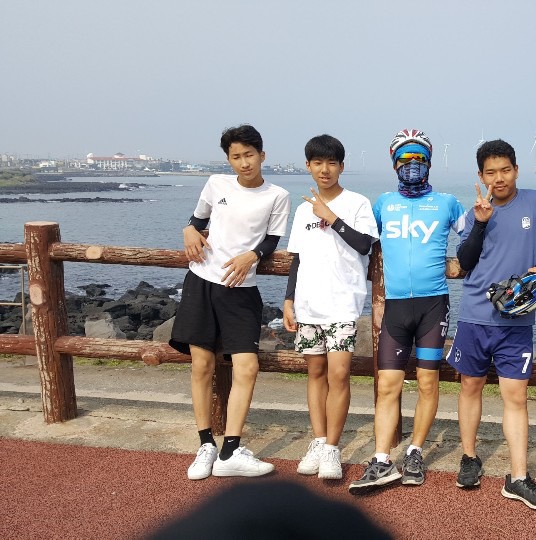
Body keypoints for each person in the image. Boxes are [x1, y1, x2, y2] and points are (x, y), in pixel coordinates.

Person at [348, 129, 466, 494]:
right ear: (394, 165)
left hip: (433, 305)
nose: (412, 166)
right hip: (396, 307)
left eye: (419, 159)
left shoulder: (447, 203)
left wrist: (460, 262)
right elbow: (362, 241)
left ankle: (415, 451)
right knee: (387, 385)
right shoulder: (384, 203)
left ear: (429, 163)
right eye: (405, 160)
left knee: (428, 382)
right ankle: (382, 459)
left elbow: (473, 239)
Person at [170, 124, 291, 480]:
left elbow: (272, 240)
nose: (244, 162)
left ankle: (231, 450)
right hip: (201, 282)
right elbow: (197, 221)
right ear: (228, 159)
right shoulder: (216, 184)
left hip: (241, 289)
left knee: (247, 367)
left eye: (249, 155)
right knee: (201, 365)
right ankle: (206, 444)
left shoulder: (278, 195)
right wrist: (188, 230)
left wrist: (252, 255)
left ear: (262, 155)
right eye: (236, 157)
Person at [447, 139, 536, 510]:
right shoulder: (474, 212)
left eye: (505, 170)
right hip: (475, 314)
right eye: (491, 173)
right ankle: (469, 457)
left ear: (517, 170)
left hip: (517, 318)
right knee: (470, 386)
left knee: (516, 396)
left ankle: (519, 477)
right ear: (481, 176)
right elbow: (465, 261)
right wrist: (480, 222)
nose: (499, 178)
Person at [283, 135, 378, 480]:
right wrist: (289, 300)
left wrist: (332, 217)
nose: (325, 170)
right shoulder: (302, 209)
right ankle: (319, 441)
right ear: (308, 166)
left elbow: (365, 244)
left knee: (339, 375)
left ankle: (333, 449)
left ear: (341, 166)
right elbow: (297, 259)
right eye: (318, 163)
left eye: (331, 163)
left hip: (342, 304)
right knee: (315, 374)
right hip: (308, 305)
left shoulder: (357, 203)